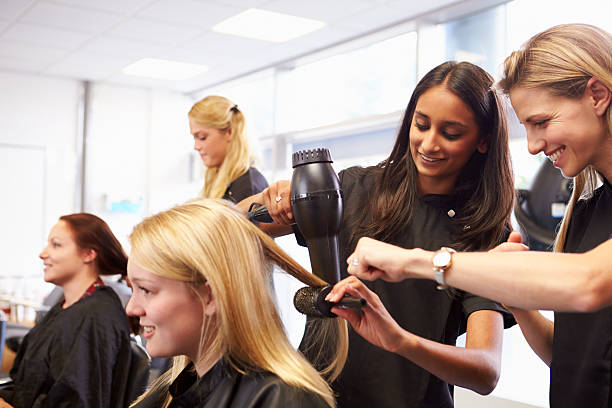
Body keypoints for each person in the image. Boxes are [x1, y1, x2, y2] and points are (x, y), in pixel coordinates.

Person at [343, 23, 612, 408]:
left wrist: (415, 261)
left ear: (597, 95)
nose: (534, 145)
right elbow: (570, 357)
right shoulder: (587, 213)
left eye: (541, 122)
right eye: (527, 128)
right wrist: (514, 295)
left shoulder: (486, 232)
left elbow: (589, 284)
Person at [239, 61, 515, 407]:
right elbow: (230, 230)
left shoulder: (485, 233)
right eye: (421, 124)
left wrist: (400, 341)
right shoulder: (354, 188)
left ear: (483, 141)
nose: (429, 144)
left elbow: (485, 370)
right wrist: (269, 199)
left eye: (451, 133)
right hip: (314, 398)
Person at [125, 199, 348, 408]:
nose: (131, 308)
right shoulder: (173, 393)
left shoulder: (283, 400)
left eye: (146, 290)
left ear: (211, 296)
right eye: (132, 290)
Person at [0, 213, 132, 408]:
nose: (43, 254)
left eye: (56, 245)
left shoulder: (96, 317)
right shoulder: (65, 307)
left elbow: (80, 401)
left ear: (88, 254)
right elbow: (25, 384)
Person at [189, 95, 268, 203]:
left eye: (202, 137)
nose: (196, 146)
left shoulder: (248, 186)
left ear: (229, 132)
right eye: (194, 138)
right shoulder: (219, 180)